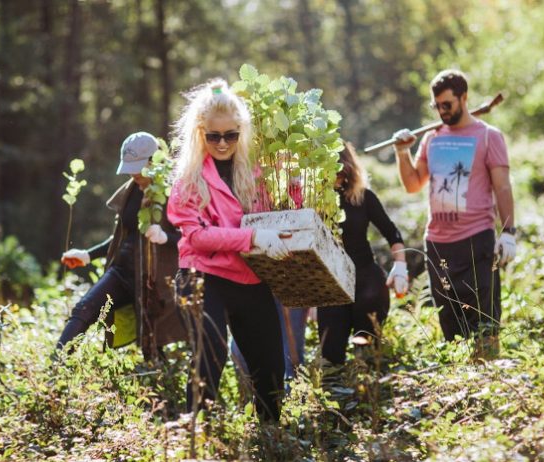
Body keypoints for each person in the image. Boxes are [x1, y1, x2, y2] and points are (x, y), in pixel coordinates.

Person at [166, 78, 292, 422]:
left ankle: (270, 438)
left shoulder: (253, 174)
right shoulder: (188, 180)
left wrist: (293, 182)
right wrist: (250, 239)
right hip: (202, 277)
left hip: (251, 280)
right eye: (214, 136)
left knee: (271, 367)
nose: (223, 143)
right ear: (200, 134)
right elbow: (197, 236)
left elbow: (277, 215)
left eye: (231, 135)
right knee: (210, 356)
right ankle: (194, 436)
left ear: (241, 132)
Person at [392, 69, 516, 357]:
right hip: (438, 243)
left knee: (485, 323)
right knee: (450, 326)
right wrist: (401, 153)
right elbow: (413, 184)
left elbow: (503, 188)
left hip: (477, 241)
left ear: (464, 98)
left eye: (447, 104)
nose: (442, 111)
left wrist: (508, 232)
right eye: (437, 106)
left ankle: (488, 381)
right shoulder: (432, 138)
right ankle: (460, 386)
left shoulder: (488, 137)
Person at [57, 132, 185, 360]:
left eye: (138, 166)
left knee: (152, 344)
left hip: (153, 282)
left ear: (154, 161)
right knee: (84, 309)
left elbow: (192, 239)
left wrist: (166, 237)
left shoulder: (172, 192)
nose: (133, 173)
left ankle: (160, 383)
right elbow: (122, 236)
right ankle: (56, 367)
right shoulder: (131, 191)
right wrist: (88, 255)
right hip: (121, 272)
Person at [317, 142, 409, 367]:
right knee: (330, 358)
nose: (335, 177)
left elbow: (392, 232)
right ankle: (337, 398)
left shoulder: (363, 197)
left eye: (339, 170)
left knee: (367, 354)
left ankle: (371, 395)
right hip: (331, 285)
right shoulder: (315, 200)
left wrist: (401, 265)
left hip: (366, 282)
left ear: (347, 167)